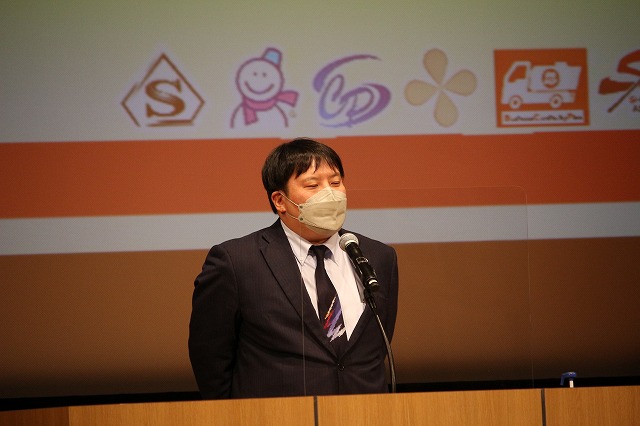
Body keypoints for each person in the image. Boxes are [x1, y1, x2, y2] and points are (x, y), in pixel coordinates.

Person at [188, 137, 399, 399]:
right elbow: (210, 357)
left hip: (365, 411)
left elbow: (376, 346)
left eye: (335, 183)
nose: (330, 194)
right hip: (274, 414)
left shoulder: (378, 256)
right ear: (280, 200)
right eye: (313, 185)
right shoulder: (236, 261)